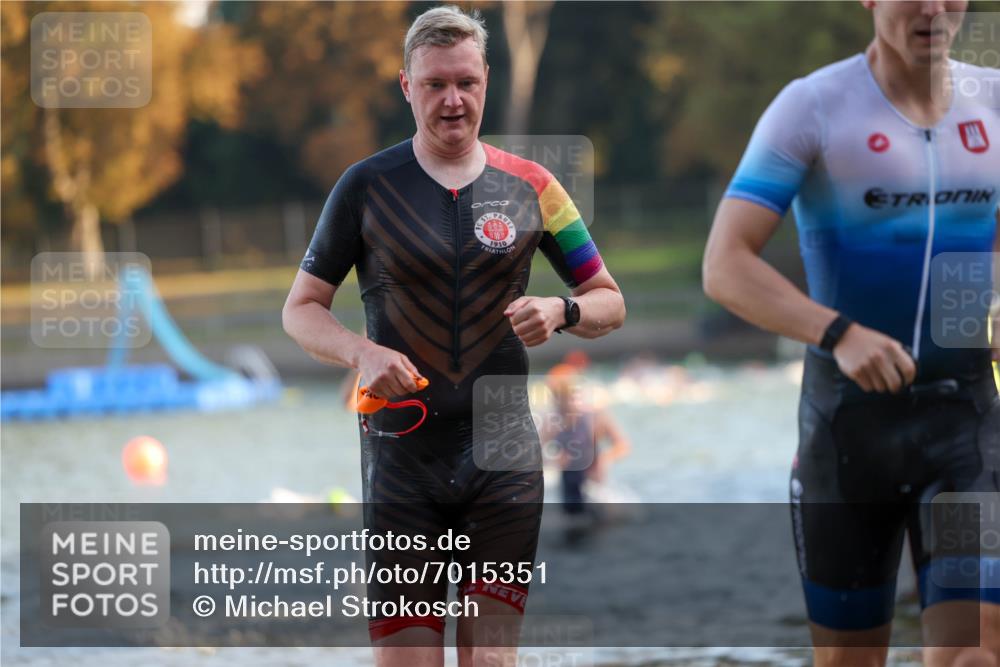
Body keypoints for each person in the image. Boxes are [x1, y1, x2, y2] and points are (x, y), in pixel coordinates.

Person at [282, 6, 625, 667]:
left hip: (504, 459)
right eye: (435, 84)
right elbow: (301, 309)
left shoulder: (535, 187)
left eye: (466, 82)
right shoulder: (365, 187)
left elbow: (609, 298)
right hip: (400, 462)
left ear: (487, 81)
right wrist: (360, 350)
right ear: (407, 87)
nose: (453, 100)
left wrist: (561, 309)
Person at [702, 2, 998, 666]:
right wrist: (838, 333)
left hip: (967, 425)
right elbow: (725, 265)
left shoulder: (995, 101)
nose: (932, 8)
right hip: (848, 432)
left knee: (974, 652)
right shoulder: (812, 107)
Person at [541, 363, 631, 515]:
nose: (559, 402)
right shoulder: (552, 421)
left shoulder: (595, 416)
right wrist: (553, 460)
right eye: (556, 395)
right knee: (573, 522)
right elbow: (533, 452)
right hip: (569, 487)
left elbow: (623, 446)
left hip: (594, 483)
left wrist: (604, 459)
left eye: (564, 395)